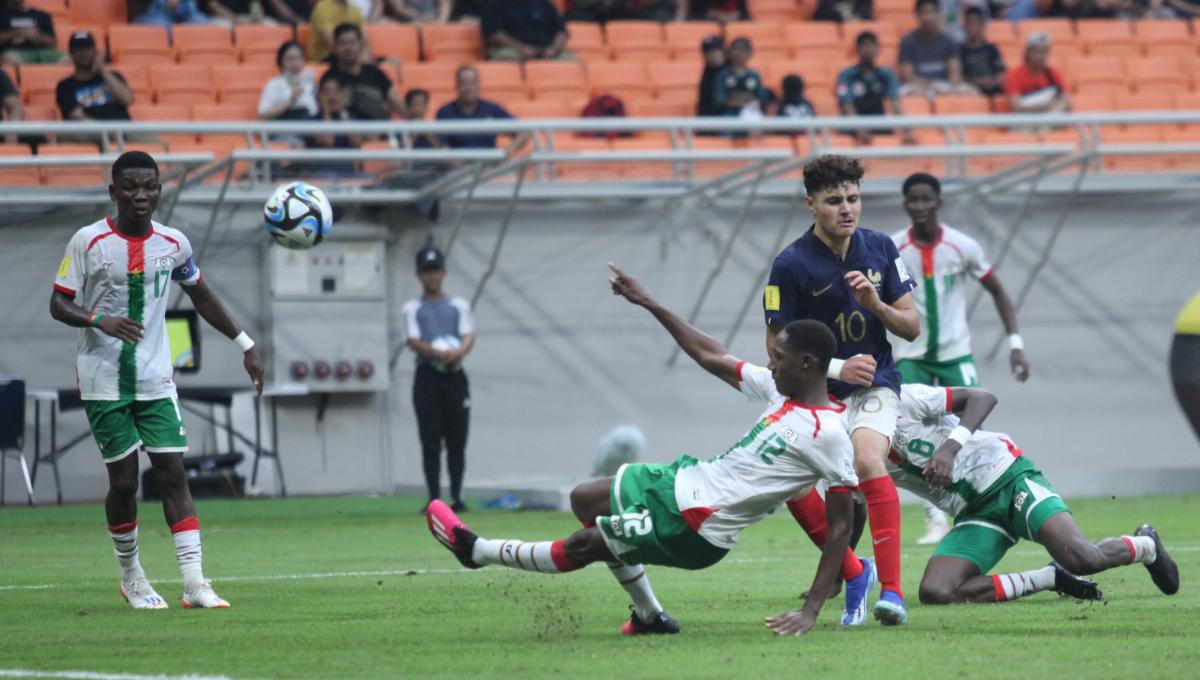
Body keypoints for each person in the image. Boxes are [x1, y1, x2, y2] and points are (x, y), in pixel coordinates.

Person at [427, 263, 870, 636]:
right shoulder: (779, 390)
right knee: (585, 498)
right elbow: (710, 354)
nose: (770, 363)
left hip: (699, 527)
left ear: (807, 364)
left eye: (780, 357)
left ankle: (477, 551)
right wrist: (650, 303)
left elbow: (841, 525)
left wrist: (812, 607)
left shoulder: (828, 432)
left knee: (587, 543)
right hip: (681, 481)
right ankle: (649, 616)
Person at [49, 151, 265, 610]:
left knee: (173, 474)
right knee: (125, 483)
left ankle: (194, 583)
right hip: (104, 379)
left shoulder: (174, 244)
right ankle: (133, 577)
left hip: (156, 380)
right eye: (131, 187)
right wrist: (97, 320)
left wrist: (245, 344)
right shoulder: (88, 241)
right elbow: (58, 303)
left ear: (159, 190)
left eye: (150, 186)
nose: (141, 195)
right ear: (114, 192)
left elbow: (201, 295)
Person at [764, 154, 919, 626]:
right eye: (834, 201)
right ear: (811, 204)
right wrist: (835, 365)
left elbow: (911, 326)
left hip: (876, 385)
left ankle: (892, 593)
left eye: (853, 198)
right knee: (787, 483)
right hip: (816, 392)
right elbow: (776, 348)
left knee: (868, 460)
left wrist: (876, 306)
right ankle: (855, 570)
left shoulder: (882, 249)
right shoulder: (789, 265)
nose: (847, 208)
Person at [885, 384, 1179, 605]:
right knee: (937, 591)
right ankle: (1048, 578)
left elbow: (983, 397)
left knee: (1082, 558)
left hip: (1007, 476)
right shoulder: (853, 444)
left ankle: (1146, 545)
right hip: (973, 513)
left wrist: (951, 447)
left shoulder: (899, 399)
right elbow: (853, 502)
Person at [891, 172, 1030, 544]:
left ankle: (980, 502)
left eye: (926, 199)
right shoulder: (893, 248)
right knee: (905, 431)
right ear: (905, 204)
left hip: (955, 353)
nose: (920, 206)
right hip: (911, 354)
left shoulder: (962, 245)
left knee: (973, 425)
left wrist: (1015, 342)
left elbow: (997, 291)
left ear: (938, 202)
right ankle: (935, 516)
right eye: (913, 200)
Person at [403, 246, 475, 512]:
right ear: (419, 275)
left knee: (457, 438)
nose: (431, 276)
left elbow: (468, 335)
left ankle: (456, 496)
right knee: (430, 439)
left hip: (455, 377)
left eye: (435, 270)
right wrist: (435, 352)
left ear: (443, 272)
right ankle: (434, 498)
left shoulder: (459, 305)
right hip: (427, 377)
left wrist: (457, 352)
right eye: (426, 271)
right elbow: (412, 339)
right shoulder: (413, 308)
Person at [836, 32, 914, 146]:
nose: (868, 50)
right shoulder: (846, 75)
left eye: (872, 46)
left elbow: (895, 103)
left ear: (878, 49)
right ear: (857, 50)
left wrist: (906, 130)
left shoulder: (886, 74)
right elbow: (847, 105)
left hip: (878, 123)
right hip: (851, 126)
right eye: (864, 46)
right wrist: (860, 129)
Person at [320, 23, 405, 120]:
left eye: (352, 42)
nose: (348, 48)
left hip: (380, 129)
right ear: (335, 47)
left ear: (360, 45)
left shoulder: (375, 72)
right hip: (347, 132)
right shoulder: (329, 78)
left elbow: (397, 103)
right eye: (342, 43)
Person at [435, 65, 528, 152]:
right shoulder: (445, 112)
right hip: (457, 167)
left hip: (489, 167)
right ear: (456, 86)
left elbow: (524, 132)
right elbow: (441, 146)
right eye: (464, 83)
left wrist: (508, 151)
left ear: (479, 85)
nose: (469, 88)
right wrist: (456, 165)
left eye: (473, 82)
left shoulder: (492, 109)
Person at [56, 31, 133, 124]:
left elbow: (127, 99)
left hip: (122, 129)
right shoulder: (65, 86)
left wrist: (103, 70)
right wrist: (104, 132)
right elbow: (77, 116)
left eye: (87, 48)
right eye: (78, 49)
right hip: (89, 133)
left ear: (95, 51)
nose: (83, 53)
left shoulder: (114, 76)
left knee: (151, 137)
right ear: (71, 53)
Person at [898, 0, 968, 97]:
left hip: (944, 85)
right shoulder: (908, 42)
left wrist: (949, 88)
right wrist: (927, 86)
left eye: (932, 12)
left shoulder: (948, 41)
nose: (929, 18)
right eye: (925, 13)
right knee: (911, 95)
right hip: (917, 86)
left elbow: (954, 72)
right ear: (917, 15)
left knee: (969, 92)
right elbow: (907, 75)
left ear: (938, 14)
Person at [304, 77, 364, 176]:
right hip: (321, 173)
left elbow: (356, 142)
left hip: (348, 173)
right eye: (327, 93)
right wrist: (327, 112)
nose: (332, 97)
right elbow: (327, 142)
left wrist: (343, 112)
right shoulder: (311, 121)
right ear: (319, 96)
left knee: (370, 179)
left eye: (336, 92)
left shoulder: (350, 118)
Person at [481, 0, 571, 62]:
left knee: (571, 61)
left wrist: (553, 50)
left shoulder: (545, 4)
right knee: (507, 58)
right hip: (511, 50)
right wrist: (522, 49)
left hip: (546, 50)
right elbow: (493, 34)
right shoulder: (496, 4)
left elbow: (561, 31)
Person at [1005, 31, 1069, 115]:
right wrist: (1045, 107)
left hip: (1050, 120)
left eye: (1044, 52)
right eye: (1037, 52)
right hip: (1025, 121)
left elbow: (1065, 102)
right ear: (1028, 52)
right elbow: (1016, 107)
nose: (1040, 56)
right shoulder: (1015, 75)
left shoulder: (1054, 74)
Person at [258, 40, 319, 121]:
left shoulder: (310, 81)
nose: (295, 63)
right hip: (285, 129)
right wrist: (291, 100)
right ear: (281, 62)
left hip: (313, 127)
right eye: (290, 59)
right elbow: (263, 114)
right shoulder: (274, 84)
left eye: (299, 58)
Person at [712, 37, 771, 119]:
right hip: (729, 116)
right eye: (737, 49)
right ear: (731, 52)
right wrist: (742, 103)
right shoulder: (723, 75)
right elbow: (719, 100)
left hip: (751, 114)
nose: (740, 53)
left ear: (750, 53)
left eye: (744, 50)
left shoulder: (754, 75)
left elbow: (761, 97)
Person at [958, 6, 1005, 97]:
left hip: (993, 90)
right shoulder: (959, 50)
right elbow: (958, 77)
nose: (972, 28)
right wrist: (977, 82)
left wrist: (991, 81)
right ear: (964, 26)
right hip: (969, 92)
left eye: (975, 23)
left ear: (982, 25)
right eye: (969, 23)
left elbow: (1001, 76)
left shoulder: (992, 49)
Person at [0, 0, 61, 66]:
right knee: (10, 59)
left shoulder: (42, 15)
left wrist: (37, 36)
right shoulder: (2, 15)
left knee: (67, 59)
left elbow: (53, 44)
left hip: (42, 52)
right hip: (16, 52)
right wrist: (17, 33)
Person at [696, 35, 725, 118]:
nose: (714, 55)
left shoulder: (733, 70)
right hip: (714, 123)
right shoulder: (707, 75)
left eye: (717, 50)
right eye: (709, 52)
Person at [132, 0, 211, 27]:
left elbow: (190, 8)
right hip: (159, 15)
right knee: (160, 28)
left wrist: (179, 7)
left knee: (203, 24)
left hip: (187, 16)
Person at [388, 0, 452, 22]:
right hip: (407, 23)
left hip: (432, 22)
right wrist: (421, 18)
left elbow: (445, 4)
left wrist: (440, 23)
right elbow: (400, 8)